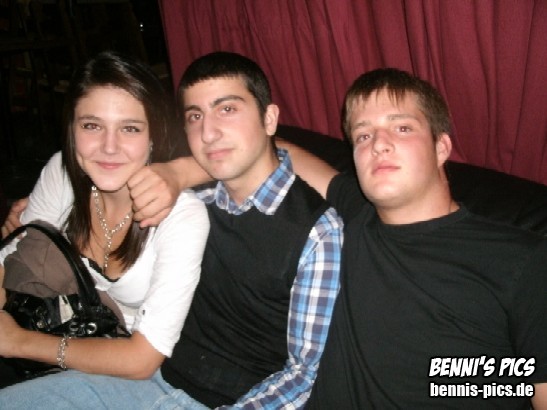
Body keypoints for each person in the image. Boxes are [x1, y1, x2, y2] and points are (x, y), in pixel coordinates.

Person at [123, 67, 547, 408]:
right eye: (363, 134)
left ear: (441, 147)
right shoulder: (354, 214)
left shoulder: (521, 259)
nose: (379, 144)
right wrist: (178, 172)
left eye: (401, 128)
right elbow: (266, 150)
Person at [0, 51, 343, 409]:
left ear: (270, 118)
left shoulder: (318, 233)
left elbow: (305, 374)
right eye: (195, 116)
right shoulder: (194, 197)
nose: (208, 132)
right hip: (151, 380)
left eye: (227, 109)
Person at [0, 51, 209, 384]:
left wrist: (20, 343)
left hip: (126, 370)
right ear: (71, 129)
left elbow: (143, 359)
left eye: (130, 128)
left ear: (153, 137)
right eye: (92, 126)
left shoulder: (182, 216)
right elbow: (12, 256)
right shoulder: (63, 172)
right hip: (50, 328)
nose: (109, 147)